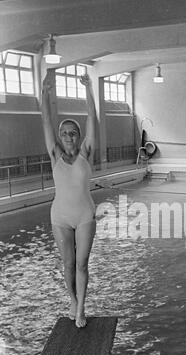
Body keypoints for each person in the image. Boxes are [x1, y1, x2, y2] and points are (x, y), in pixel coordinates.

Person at [41, 71, 97, 328]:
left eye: (72, 132)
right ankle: (73, 300)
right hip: (60, 217)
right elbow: (46, 122)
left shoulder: (87, 152)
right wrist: (44, 93)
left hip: (85, 215)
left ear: (78, 135)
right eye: (64, 132)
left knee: (82, 264)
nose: (68, 136)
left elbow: (91, 119)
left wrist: (89, 91)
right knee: (68, 263)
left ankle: (81, 309)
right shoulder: (55, 155)